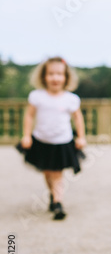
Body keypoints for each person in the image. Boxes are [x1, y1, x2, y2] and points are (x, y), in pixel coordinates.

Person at [19, 57, 86, 220]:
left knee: (57, 173)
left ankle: (58, 203)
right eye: (51, 74)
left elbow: (78, 118)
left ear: (66, 77)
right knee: (48, 172)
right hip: (42, 141)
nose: (55, 78)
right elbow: (29, 116)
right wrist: (26, 135)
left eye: (59, 74)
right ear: (44, 77)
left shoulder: (71, 99)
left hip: (62, 142)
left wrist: (81, 137)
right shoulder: (36, 96)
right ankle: (53, 195)